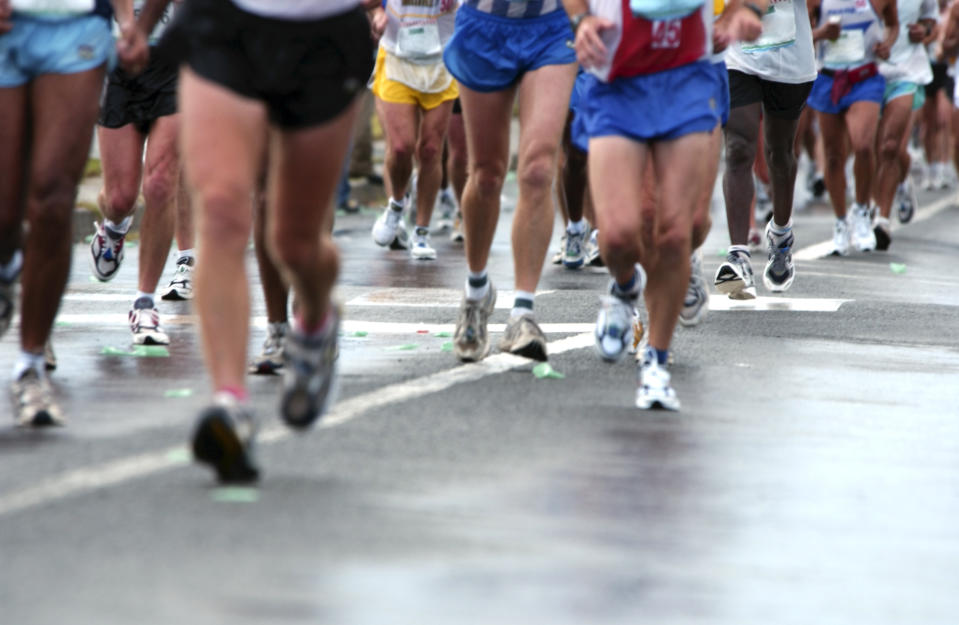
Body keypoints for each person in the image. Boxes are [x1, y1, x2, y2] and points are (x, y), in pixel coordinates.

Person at [136, 0, 375, 483]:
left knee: (294, 242)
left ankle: (315, 320)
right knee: (222, 211)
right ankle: (231, 404)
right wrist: (141, 25)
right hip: (224, 23)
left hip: (322, 36)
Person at [566, 0, 761, 410]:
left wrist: (744, 11)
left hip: (688, 76)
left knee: (678, 230)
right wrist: (581, 17)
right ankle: (625, 287)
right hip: (618, 77)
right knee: (618, 236)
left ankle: (655, 361)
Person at [0, 0, 143, 426]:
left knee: (52, 198)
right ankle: (9, 267)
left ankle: (30, 366)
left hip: (77, 23)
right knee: (6, 212)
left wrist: (132, 22)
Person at [445, 0, 578, 363]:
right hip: (484, 25)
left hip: (552, 27)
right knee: (486, 173)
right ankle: (476, 292)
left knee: (537, 170)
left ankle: (523, 312)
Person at [90, 0, 189, 346]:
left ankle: (144, 303)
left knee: (162, 182)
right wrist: (126, 24)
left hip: (177, 58)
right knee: (120, 198)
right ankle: (114, 227)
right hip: (121, 55)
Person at [714, 0, 818, 298]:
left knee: (779, 154)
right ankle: (738, 257)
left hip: (790, 59)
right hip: (739, 56)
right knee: (737, 148)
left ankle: (781, 235)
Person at [369, 0, 459, 260]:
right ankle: (397, 204)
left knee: (431, 150)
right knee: (400, 147)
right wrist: (377, 13)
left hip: (441, 59)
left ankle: (421, 232)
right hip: (398, 55)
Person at [807, 0, 898, 256]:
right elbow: (799, 35)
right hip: (828, 80)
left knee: (863, 145)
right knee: (833, 156)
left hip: (864, 78)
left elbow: (893, 25)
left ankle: (861, 210)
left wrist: (887, 44)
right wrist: (822, 33)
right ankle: (840, 222)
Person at [871, 0, 936, 250]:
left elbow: (931, 24)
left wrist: (924, 31)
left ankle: (882, 219)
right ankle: (898, 184)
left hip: (907, 71)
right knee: (874, 148)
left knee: (891, 147)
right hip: (869, 71)